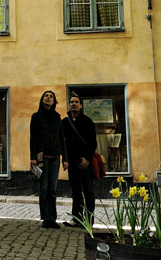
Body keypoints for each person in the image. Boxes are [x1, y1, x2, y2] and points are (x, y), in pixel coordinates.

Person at [29, 89, 66, 229]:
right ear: (42, 99)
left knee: (53, 189)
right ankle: (45, 218)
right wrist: (33, 157)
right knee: (44, 188)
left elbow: (62, 140)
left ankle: (53, 218)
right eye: (46, 96)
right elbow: (33, 139)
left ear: (54, 101)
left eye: (51, 96)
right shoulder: (36, 117)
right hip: (42, 158)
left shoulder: (58, 118)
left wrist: (65, 158)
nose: (48, 98)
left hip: (55, 157)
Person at [61, 93, 97, 227]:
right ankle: (76, 218)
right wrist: (64, 159)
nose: (74, 104)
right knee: (76, 191)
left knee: (88, 192)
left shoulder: (88, 121)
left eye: (76, 102)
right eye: (72, 102)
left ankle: (89, 221)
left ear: (81, 106)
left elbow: (93, 142)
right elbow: (62, 143)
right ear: (69, 105)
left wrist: (87, 158)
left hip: (85, 162)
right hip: (71, 162)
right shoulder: (64, 122)